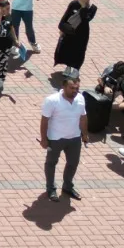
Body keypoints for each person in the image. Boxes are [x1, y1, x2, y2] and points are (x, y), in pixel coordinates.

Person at [40, 73, 90, 201]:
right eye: (72, 88)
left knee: (73, 163)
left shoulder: (80, 98)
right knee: (51, 163)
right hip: (55, 138)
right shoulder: (52, 100)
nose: (75, 91)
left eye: (77, 88)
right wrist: (44, 139)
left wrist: (84, 134)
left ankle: (67, 186)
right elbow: (44, 120)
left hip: (74, 138)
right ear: (64, 87)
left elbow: (83, 118)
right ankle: (51, 188)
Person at [52, 0, 95, 78]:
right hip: (70, 31)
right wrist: (62, 28)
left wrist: (83, 8)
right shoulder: (73, 4)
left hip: (82, 33)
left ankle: (76, 69)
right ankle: (68, 66)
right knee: (67, 48)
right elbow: (66, 16)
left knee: (79, 51)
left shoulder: (92, 8)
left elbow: (86, 19)